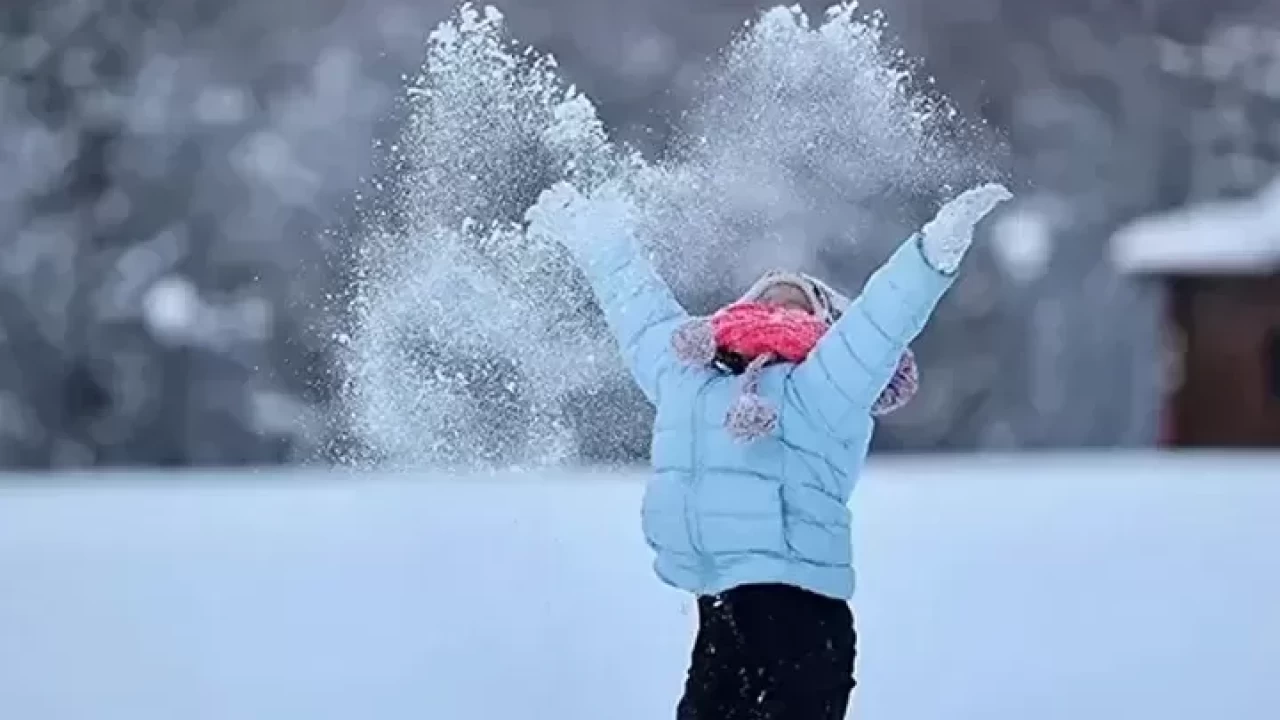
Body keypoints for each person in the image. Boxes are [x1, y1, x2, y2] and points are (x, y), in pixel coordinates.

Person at [525, 179, 1011, 720]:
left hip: (802, 622)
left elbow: (881, 320)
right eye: (767, 297)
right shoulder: (688, 375)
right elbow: (638, 307)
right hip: (719, 612)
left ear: (827, 327)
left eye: (800, 303)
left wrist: (931, 252)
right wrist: (597, 238)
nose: (780, 302)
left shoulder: (825, 384)